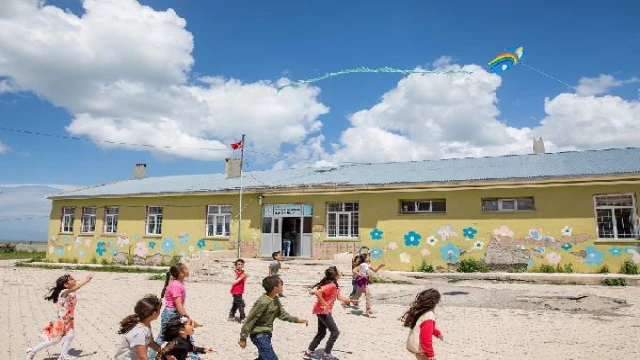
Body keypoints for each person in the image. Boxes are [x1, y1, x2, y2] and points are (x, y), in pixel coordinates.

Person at [238, 276, 308, 360]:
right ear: (275, 288)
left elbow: (282, 315)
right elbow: (250, 319)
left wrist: (297, 320)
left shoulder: (275, 299)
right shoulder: (263, 302)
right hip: (259, 335)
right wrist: (243, 338)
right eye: (281, 285)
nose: (282, 286)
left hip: (267, 334)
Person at [25, 274, 93, 360]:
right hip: (61, 320)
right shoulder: (64, 292)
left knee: (70, 336)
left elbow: (74, 290)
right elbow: (76, 288)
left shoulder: (71, 292)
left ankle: (63, 356)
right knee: (54, 340)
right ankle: (32, 351)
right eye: (71, 279)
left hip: (69, 318)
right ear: (65, 285)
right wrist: (86, 281)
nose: (74, 279)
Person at [148, 263, 202, 360]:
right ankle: (150, 357)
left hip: (174, 313)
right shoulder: (176, 285)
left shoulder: (178, 283)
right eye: (186, 268)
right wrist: (188, 318)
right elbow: (178, 305)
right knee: (162, 337)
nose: (188, 270)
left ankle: (195, 357)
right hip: (171, 314)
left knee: (187, 336)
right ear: (181, 273)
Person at [303, 266, 352, 360]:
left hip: (320, 310)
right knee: (335, 332)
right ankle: (326, 354)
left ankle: (309, 352)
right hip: (323, 311)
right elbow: (317, 292)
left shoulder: (334, 285)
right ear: (335, 275)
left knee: (321, 333)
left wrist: (351, 300)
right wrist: (324, 303)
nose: (341, 273)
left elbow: (339, 297)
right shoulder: (331, 285)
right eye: (339, 272)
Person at [113, 294, 168, 360]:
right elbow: (143, 357)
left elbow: (151, 343)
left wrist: (164, 352)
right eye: (159, 310)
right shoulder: (140, 332)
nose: (160, 312)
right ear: (153, 313)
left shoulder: (145, 324)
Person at [401, 289, 444, 360]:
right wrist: (430, 354)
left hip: (412, 344)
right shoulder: (429, 316)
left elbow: (426, 328)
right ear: (435, 303)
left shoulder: (422, 312)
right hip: (420, 348)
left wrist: (437, 333)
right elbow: (426, 337)